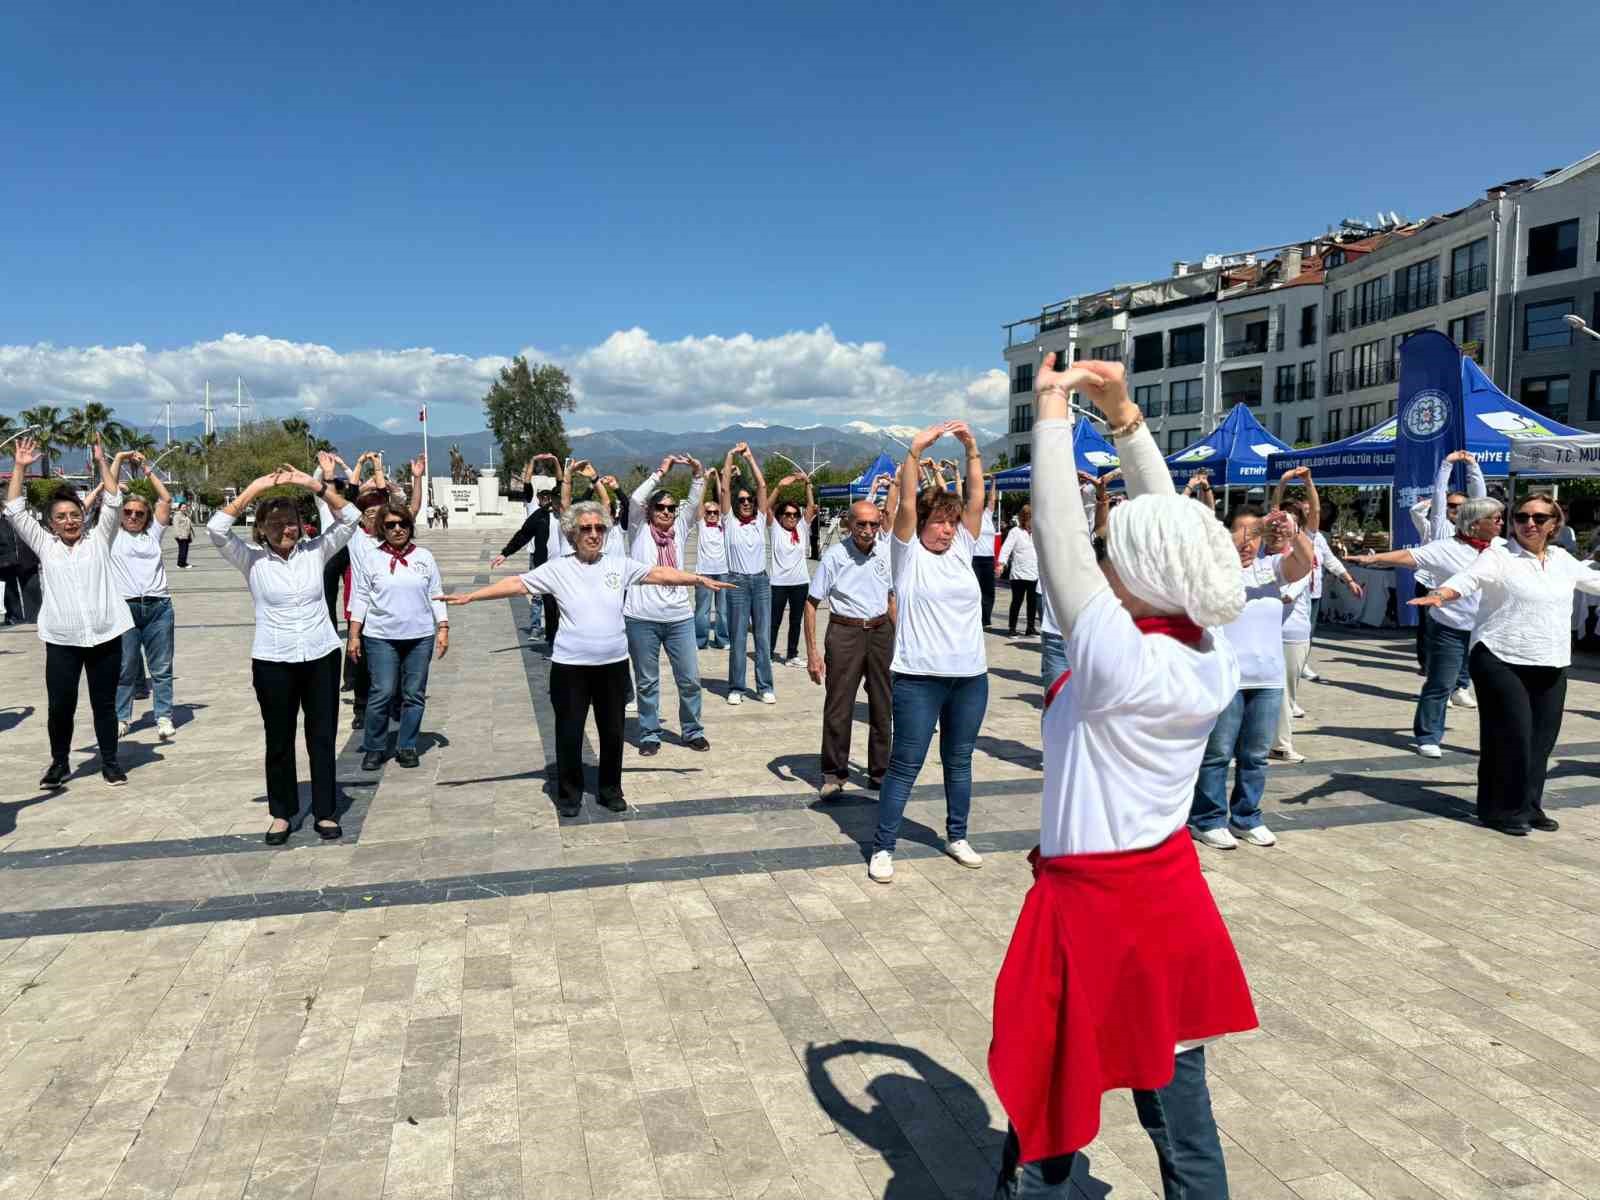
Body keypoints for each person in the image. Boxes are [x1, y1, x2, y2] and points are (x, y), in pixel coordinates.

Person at [989, 355, 1255, 1199]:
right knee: (1183, 1117)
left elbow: (1062, 546)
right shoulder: (1209, 653)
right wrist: (1129, 424)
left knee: (1046, 1110)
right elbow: (1182, 540)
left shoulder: (1120, 664)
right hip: (1165, 897)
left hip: (1095, 910)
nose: (1103, 556)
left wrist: (1054, 410)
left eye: (1117, 551)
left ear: (1139, 577)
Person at [438, 500, 730, 816]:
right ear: (572, 533)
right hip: (570, 668)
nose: (593, 534)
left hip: (613, 666)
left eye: (599, 528)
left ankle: (610, 790)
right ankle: (568, 794)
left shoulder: (619, 564)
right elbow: (516, 583)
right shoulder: (557, 568)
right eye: (586, 529)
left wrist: (697, 579)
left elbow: (658, 573)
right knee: (569, 731)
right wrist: (471, 595)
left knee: (613, 731)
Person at [1412, 492, 1600, 835]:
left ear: (1554, 524)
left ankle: (1529, 805)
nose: (1529, 523)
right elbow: (1469, 579)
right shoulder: (1499, 555)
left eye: (1539, 518)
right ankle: (1500, 810)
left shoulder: (1561, 559)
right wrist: (1442, 594)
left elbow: (1596, 582)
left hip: (1551, 659)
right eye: (1521, 517)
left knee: (1540, 741)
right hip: (1500, 656)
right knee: (1510, 736)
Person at [210, 465, 358, 844]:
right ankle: (282, 813)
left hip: (321, 655)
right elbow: (216, 530)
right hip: (273, 660)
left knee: (321, 737)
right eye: (274, 522)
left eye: (290, 521)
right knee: (278, 738)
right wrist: (255, 487)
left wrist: (314, 486)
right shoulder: (251, 559)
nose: (284, 528)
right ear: (260, 528)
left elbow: (351, 519)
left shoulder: (316, 551)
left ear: (301, 524)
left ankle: (325, 811)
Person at [869, 420, 988, 883]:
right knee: (906, 764)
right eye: (938, 521)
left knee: (959, 759)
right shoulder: (906, 554)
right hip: (919, 678)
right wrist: (915, 451)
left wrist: (973, 450)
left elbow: (976, 498)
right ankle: (883, 847)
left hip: (970, 677)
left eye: (950, 522)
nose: (945, 530)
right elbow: (904, 508)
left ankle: (957, 835)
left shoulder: (962, 548)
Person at [3, 437, 135, 787]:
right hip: (62, 640)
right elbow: (14, 508)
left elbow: (113, 500)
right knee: (61, 705)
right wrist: (19, 467)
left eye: (74, 514)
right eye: (61, 517)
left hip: (105, 634)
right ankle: (59, 763)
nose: (69, 521)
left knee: (104, 705)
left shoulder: (99, 540)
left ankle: (110, 761)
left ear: (83, 516)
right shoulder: (46, 546)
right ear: (51, 523)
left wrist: (103, 462)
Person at [1189, 505, 1313, 848]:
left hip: (1268, 679)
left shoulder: (1270, 568)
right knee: (1217, 753)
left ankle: (1246, 817)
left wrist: (1293, 530)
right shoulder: (1212, 570)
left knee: (1255, 755)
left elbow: (1305, 561)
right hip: (1226, 679)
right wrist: (1256, 525)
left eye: (1256, 537)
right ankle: (1207, 818)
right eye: (1244, 534)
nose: (1249, 543)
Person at [1355, 497, 1504, 759]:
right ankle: (1428, 735)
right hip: (1451, 628)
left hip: (1489, 631)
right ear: (1476, 523)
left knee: (1495, 689)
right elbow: (1409, 556)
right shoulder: (1445, 547)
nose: (1501, 523)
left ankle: (1497, 742)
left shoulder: (1502, 548)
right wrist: (1374, 558)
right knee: (1440, 683)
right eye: (1495, 518)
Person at [346, 500, 448, 770]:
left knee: (414, 693)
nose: (398, 529)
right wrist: (354, 635)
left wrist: (443, 627)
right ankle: (375, 747)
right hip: (381, 636)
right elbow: (361, 597)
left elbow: (436, 594)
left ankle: (407, 745)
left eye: (403, 523)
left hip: (420, 636)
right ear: (382, 528)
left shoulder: (424, 557)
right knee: (382, 691)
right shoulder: (371, 558)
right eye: (390, 525)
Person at [805, 499, 896, 798]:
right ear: (849, 524)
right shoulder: (835, 556)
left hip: (881, 630)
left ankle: (880, 772)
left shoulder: (888, 553)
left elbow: (892, 597)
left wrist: (901, 639)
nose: (868, 530)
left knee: (883, 706)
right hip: (845, 631)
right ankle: (834, 774)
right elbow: (811, 603)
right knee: (839, 706)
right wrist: (812, 654)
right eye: (861, 524)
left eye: (873, 523)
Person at [622, 454, 710, 754]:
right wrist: (661, 471)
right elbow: (635, 498)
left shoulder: (680, 530)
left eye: (671, 509)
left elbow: (695, 497)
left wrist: (698, 473)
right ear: (650, 511)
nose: (667, 512)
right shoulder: (638, 529)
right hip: (641, 617)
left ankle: (692, 730)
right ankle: (649, 734)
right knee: (647, 682)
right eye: (660, 507)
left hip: (679, 617)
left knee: (689, 679)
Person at [109, 456, 178, 739]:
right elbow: (110, 490)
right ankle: (122, 718)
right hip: (124, 608)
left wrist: (149, 470)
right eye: (128, 512)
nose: (133, 516)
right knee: (125, 668)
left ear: (146, 515)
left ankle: (163, 716)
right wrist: (116, 460)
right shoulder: (112, 533)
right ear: (121, 514)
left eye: (139, 513)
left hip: (158, 606)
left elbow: (165, 498)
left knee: (161, 668)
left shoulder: (153, 533)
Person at [1410, 450, 1486, 681]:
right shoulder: (1439, 524)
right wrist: (1447, 464)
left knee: (1468, 636)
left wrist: (1473, 465)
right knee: (1435, 636)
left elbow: (1481, 498)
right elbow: (1439, 493)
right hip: (1434, 587)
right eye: (1451, 506)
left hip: (1464, 588)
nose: (1456, 510)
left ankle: (1461, 684)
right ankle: (1438, 679)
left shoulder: (1474, 527)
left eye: (1461, 507)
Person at [721, 442, 775, 704]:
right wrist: (731, 456)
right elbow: (723, 487)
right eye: (740, 500)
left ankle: (765, 686)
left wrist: (751, 457)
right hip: (737, 582)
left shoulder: (759, 521)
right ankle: (737, 688)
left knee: (763, 638)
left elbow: (763, 486)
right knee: (739, 637)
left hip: (761, 582)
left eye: (748, 500)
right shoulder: (729, 522)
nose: (745, 503)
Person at [768, 473, 816, 665]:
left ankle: (792, 655)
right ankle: (768, 653)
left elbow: (811, 507)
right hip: (778, 583)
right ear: (781, 516)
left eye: (795, 514)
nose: (792, 517)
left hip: (800, 583)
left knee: (796, 621)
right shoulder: (775, 529)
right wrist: (779, 486)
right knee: (774, 621)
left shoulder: (802, 529)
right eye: (788, 514)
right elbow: (765, 507)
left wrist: (807, 484)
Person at [694, 480, 728, 649]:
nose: (713, 514)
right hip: (703, 573)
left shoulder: (723, 525)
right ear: (705, 514)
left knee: (723, 611)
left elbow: (723, 499)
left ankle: (723, 640)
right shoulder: (702, 525)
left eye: (715, 512)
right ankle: (700, 641)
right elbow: (699, 502)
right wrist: (706, 481)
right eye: (709, 512)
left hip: (723, 572)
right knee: (702, 610)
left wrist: (718, 478)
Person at [999, 503, 1039, 637]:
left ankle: (1030, 627)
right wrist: (1001, 563)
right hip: (1018, 573)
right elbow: (1006, 549)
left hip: (1034, 572)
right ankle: (1012, 628)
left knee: (1032, 602)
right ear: (1024, 518)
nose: (1032, 521)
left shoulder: (1036, 534)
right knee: (1017, 601)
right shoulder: (1015, 532)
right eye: (1030, 519)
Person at [972, 478, 998, 628]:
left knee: (989, 591)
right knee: (976, 591)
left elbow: (992, 500)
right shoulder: (972, 517)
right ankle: (975, 617)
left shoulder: (987, 515)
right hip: (975, 558)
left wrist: (993, 483)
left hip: (988, 558)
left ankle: (986, 619)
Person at [171, 502, 195, 569]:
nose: (184, 508)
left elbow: (189, 525)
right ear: (180, 508)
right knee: (183, 550)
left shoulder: (185, 515)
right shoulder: (177, 516)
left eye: (185, 507)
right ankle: (182, 564)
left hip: (186, 535)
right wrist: (179, 535)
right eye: (183, 507)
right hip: (181, 536)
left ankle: (180, 563)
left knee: (184, 550)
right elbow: (176, 526)